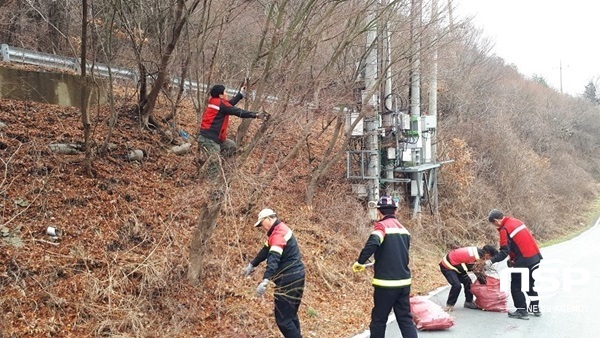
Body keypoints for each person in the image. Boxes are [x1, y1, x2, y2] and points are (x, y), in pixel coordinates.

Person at [352, 196, 418, 338]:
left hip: (386, 284)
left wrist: (360, 262)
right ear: (395, 211)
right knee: (405, 319)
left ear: (379, 212)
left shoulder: (382, 226)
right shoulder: (405, 230)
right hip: (404, 282)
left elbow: (373, 243)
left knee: (379, 320)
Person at [242, 208, 305, 338]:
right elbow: (265, 251)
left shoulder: (277, 235)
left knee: (283, 320)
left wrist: (265, 280)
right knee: (290, 315)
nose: (262, 227)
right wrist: (252, 264)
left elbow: (273, 259)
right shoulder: (278, 230)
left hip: (288, 280)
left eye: (261, 224)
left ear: (269, 219)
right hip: (297, 276)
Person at [197, 84, 268, 178]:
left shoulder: (215, 101)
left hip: (213, 137)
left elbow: (229, 105)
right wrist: (256, 115)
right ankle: (212, 183)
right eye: (225, 92)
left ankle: (217, 167)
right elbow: (237, 111)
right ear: (220, 95)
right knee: (215, 160)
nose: (227, 93)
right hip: (209, 138)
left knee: (231, 146)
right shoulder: (221, 104)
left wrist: (241, 94)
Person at [486, 209, 543, 320]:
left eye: (494, 224)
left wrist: (491, 261)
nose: (495, 226)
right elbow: (518, 243)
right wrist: (512, 259)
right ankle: (535, 308)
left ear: (496, 220)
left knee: (515, 286)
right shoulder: (516, 221)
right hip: (535, 257)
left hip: (524, 260)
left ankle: (522, 311)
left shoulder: (504, 228)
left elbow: (504, 251)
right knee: (529, 284)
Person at [439, 244, 498, 312]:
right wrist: (486, 285)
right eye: (490, 258)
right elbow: (478, 272)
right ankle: (449, 305)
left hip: (457, 265)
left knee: (468, 282)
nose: (488, 260)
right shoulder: (477, 257)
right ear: (487, 254)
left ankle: (468, 302)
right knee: (456, 285)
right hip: (447, 266)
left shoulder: (478, 251)